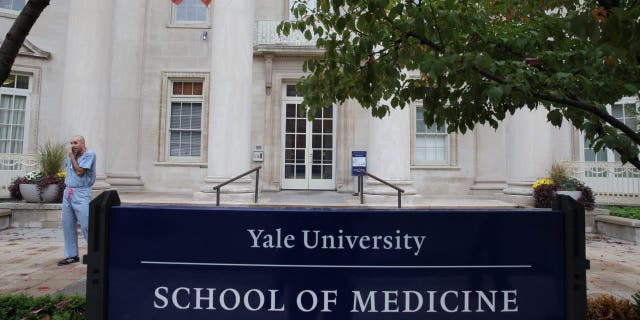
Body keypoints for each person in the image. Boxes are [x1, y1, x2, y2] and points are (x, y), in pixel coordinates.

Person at [57, 135, 96, 266]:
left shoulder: (89, 154)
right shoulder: (71, 155)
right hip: (68, 192)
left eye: (76, 143)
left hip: (81, 193)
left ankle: (96, 254)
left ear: (83, 143)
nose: (73, 145)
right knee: (67, 224)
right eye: (71, 143)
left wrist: (72, 157)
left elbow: (80, 172)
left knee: (86, 225)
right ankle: (71, 255)